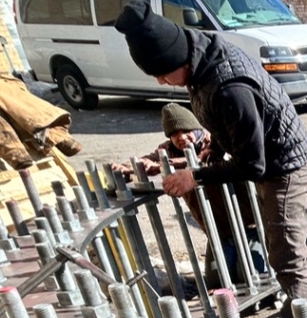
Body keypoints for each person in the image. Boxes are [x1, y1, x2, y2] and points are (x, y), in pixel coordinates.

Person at [114, 0, 307, 318]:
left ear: (178, 59)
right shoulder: (201, 59)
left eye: (163, 73)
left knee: (286, 256)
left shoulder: (228, 84)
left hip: (287, 167)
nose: (161, 81)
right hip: (274, 162)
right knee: (289, 251)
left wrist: (196, 176)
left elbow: (252, 164)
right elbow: (222, 119)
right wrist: (215, 147)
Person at [112, 103, 263, 287]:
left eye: (186, 130)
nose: (181, 137)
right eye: (174, 134)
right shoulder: (167, 151)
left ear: (197, 128)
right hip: (218, 231)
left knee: (251, 275)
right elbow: (146, 160)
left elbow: (202, 163)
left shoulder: (215, 143)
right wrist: (126, 167)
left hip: (248, 224)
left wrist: (165, 166)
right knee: (218, 282)